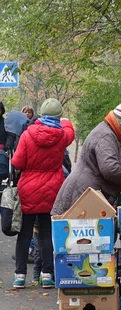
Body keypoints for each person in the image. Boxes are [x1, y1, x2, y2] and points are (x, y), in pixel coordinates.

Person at [11, 98, 75, 288]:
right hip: (52, 188)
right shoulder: (62, 135)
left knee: (24, 234)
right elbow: (70, 130)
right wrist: (64, 121)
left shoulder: (28, 134)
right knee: (47, 233)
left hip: (28, 189)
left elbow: (17, 163)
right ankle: (47, 275)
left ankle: (20, 276)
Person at [52, 102, 121, 216]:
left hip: (87, 194)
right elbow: (110, 169)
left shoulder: (109, 133)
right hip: (83, 197)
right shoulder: (106, 136)